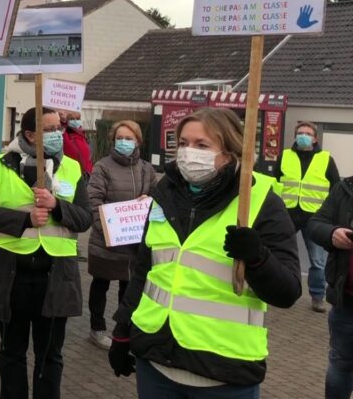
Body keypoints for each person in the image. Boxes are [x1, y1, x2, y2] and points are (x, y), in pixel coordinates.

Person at [109, 108, 301, 398]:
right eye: (183, 143)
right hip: (156, 365)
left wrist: (258, 258)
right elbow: (144, 271)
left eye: (202, 145)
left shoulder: (261, 203)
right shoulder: (165, 192)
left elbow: (287, 292)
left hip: (223, 374)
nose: (188, 153)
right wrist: (123, 329)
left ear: (231, 151)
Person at [0, 107, 92, 399]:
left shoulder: (72, 168)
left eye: (58, 128)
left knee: (50, 355)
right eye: (49, 130)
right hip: (10, 274)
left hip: (55, 277)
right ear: (29, 134)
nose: (58, 135)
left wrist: (57, 206)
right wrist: (25, 220)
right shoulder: (1, 165)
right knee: (12, 352)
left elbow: (85, 217)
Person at [85, 120, 157, 349]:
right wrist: (106, 227)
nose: (124, 142)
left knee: (130, 286)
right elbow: (93, 200)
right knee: (101, 283)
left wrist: (151, 201)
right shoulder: (103, 167)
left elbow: (158, 197)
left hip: (135, 242)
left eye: (129, 138)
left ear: (138, 141)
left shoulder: (146, 168)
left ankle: (124, 330)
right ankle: (97, 329)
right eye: (120, 138)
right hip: (106, 240)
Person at [272, 121, 340, 312]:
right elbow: (275, 183)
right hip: (287, 213)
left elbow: (336, 188)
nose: (303, 136)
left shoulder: (326, 159)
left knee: (318, 261)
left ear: (315, 138)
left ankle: (317, 297)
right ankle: (272, 289)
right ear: (295, 136)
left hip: (316, 217)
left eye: (308, 133)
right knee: (275, 252)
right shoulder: (285, 156)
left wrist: (330, 213)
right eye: (300, 133)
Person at [308, 176, 353, 398]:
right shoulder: (345, 189)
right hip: (347, 303)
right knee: (341, 366)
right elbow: (316, 224)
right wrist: (332, 232)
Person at [60, 110, 93, 177]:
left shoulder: (82, 135)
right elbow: (61, 128)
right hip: (70, 174)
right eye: (72, 119)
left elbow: (88, 159)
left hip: (86, 176)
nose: (75, 121)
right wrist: (63, 121)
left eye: (78, 119)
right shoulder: (65, 134)